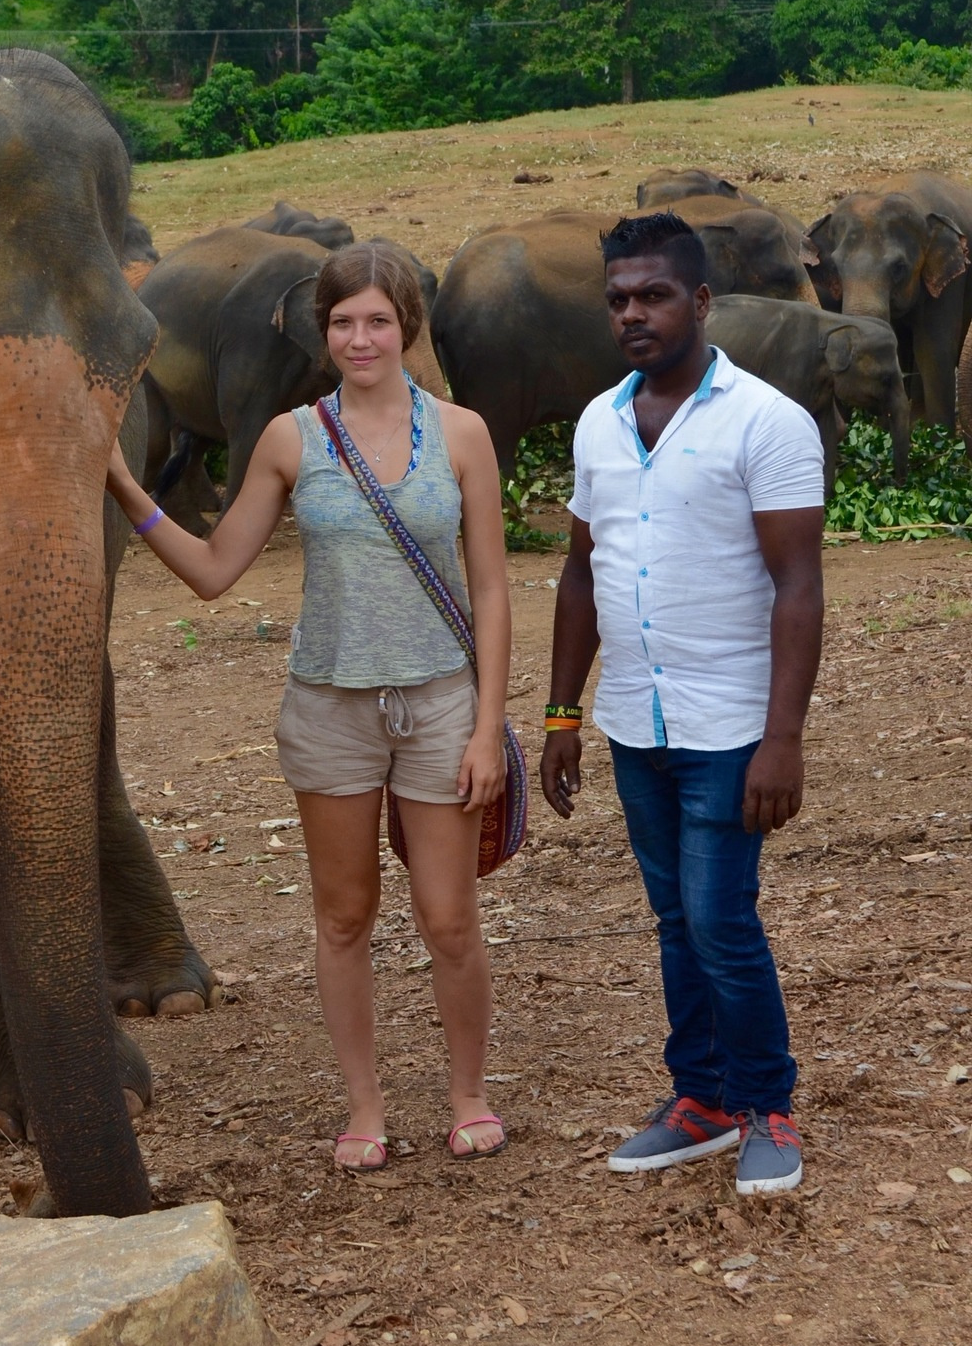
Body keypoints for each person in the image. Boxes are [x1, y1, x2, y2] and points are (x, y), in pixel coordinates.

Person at [107, 241, 512, 1168]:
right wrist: (127, 487)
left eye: (377, 320)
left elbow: (491, 590)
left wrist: (489, 725)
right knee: (343, 916)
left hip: (441, 702)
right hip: (331, 709)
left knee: (448, 918)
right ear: (317, 330)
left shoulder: (461, 434)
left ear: (407, 326)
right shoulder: (294, 438)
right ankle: (364, 1106)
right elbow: (214, 571)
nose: (360, 338)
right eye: (342, 322)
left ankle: (468, 1093)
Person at [540, 212, 824, 1196]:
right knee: (673, 918)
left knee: (718, 918)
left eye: (653, 294)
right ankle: (698, 1099)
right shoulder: (596, 423)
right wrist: (561, 716)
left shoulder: (766, 422)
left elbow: (798, 585)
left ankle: (767, 1105)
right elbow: (581, 575)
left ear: (700, 302)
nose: (632, 313)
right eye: (618, 297)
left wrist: (782, 738)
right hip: (634, 720)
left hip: (729, 726)